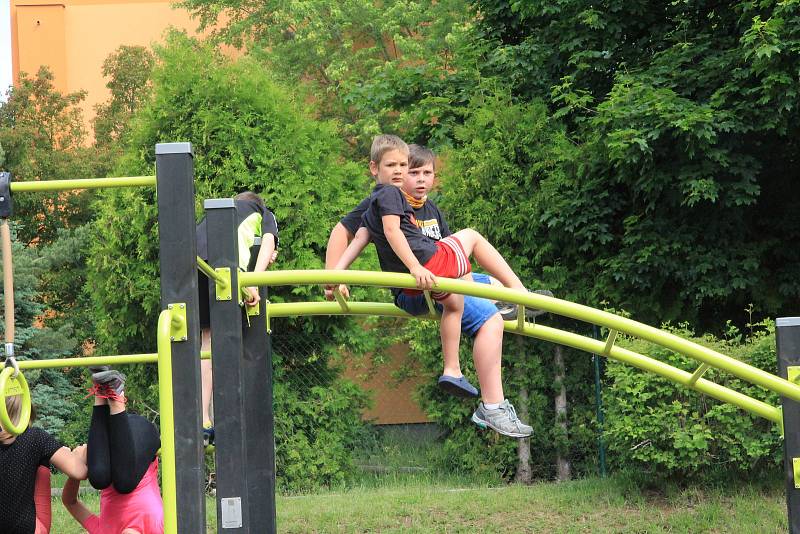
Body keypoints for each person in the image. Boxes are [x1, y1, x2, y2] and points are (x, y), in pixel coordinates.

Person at [327, 136, 534, 438]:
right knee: (489, 318)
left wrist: (337, 275)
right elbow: (350, 232)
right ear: (377, 169)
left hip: (437, 278)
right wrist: (334, 277)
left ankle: (511, 298)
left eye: (422, 172)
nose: (412, 177)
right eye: (410, 170)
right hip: (421, 285)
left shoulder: (430, 210)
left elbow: (453, 260)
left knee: (478, 279)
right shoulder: (386, 198)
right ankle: (493, 404)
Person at [195, 191, 279, 445]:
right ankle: (229, 417)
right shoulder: (263, 212)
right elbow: (267, 242)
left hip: (194, 266)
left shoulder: (215, 215)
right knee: (229, 338)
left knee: (207, 340)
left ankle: (203, 419)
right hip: (226, 268)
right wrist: (254, 281)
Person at [62, 366, 163, 534]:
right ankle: (117, 398)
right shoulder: (158, 528)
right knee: (124, 483)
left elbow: (70, 502)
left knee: (99, 478)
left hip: (114, 434)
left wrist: (77, 469)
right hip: (140, 435)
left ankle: (102, 392)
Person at [0, 387, 88, 534]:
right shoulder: (35, 437)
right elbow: (78, 472)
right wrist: (79, 455)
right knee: (40, 461)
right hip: (28, 529)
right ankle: (48, 456)